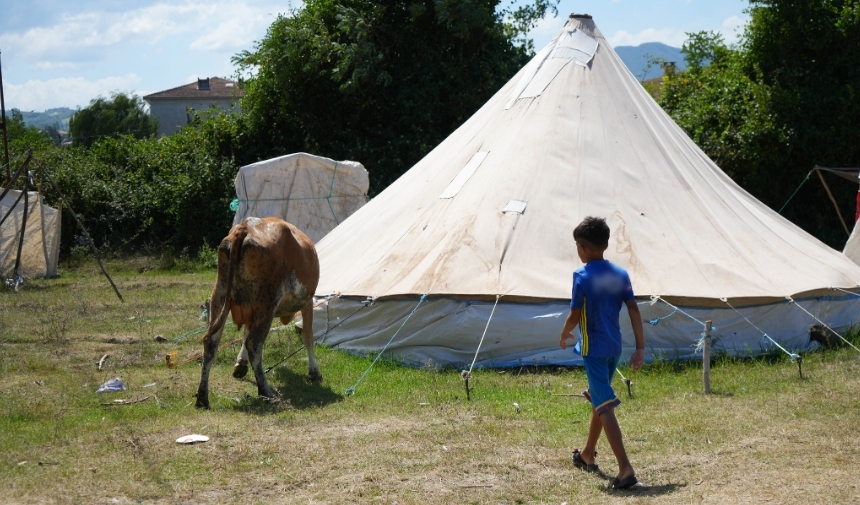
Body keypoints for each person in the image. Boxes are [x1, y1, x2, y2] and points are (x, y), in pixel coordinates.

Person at [559, 216, 645, 490]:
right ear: (606, 244)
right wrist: (641, 347)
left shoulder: (581, 276)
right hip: (614, 346)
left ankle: (625, 468)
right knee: (599, 398)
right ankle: (587, 454)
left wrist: (564, 332)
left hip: (593, 348)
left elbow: (574, 313)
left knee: (604, 404)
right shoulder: (620, 274)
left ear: (582, 248)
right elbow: (633, 309)